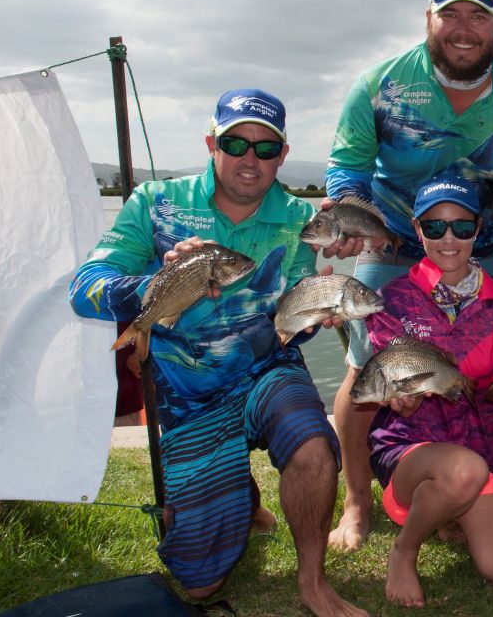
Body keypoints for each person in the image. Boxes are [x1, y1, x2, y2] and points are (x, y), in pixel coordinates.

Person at [69, 89, 367, 617]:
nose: (250, 159)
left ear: (281, 154)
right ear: (212, 143)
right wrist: (155, 285)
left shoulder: (299, 219)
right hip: (190, 397)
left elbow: (290, 325)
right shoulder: (156, 203)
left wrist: (317, 315)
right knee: (200, 584)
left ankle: (313, 582)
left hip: (267, 373)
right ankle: (241, 499)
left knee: (313, 449)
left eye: (266, 148)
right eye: (235, 142)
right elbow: (85, 287)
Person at [320, 0, 493, 550]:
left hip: (480, 239)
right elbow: (346, 168)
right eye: (449, 13)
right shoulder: (380, 82)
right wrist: (353, 218)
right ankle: (355, 503)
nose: (463, 27)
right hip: (389, 240)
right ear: (428, 19)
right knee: (365, 373)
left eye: (477, 16)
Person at [365, 176, 493, 607]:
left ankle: (454, 514)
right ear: (418, 231)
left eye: (461, 226)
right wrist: (403, 395)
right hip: (412, 454)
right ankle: (405, 550)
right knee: (462, 470)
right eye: (435, 228)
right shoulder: (392, 299)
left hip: (487, 457)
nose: (449, 238)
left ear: (478, 229)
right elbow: (392, 377)